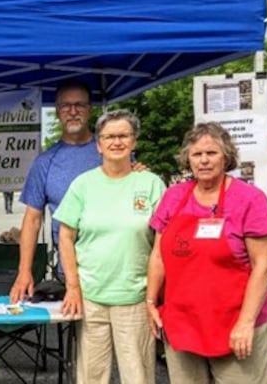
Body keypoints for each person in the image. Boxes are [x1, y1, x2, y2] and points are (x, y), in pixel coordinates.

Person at [146, 122, 267, 384]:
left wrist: (245, 323)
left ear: (226, 156)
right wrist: (150, 302)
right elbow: (158, 255)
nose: (204, 160)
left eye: (211, 153)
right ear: (188, 159)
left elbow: (262, 265)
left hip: (234, 325)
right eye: (197, 154)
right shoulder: (174, 196)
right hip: (183, 323)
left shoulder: (249, 199)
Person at [54, 109, 164, 383]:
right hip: (91, 297)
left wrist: (153, 296)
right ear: (99, 144)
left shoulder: (151, 184)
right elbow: (65, 237)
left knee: (138, 376)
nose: (117, 142)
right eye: (109, 137)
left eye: (123, 135)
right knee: (92, 376)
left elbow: (162, 246)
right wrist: (73, 287)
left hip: (135, 298)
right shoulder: (83, 184)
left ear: (134, 141)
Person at [10, 81, 101, 302]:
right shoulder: (45, 162)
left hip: (115, 267)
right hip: (71, 271)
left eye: (79, 105)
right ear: (58, 112)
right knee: (85, 336)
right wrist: (24, 272)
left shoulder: (110, 151)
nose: (72, 111)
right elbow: (32, 220)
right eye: (65, 106)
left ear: (89, 109)